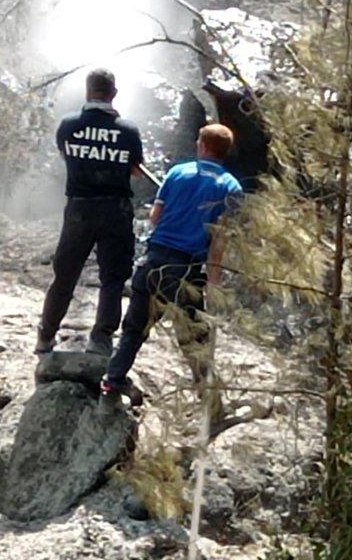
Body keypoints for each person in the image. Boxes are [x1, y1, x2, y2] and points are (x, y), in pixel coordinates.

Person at [101, 123, 244, 404]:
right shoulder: (231, 187)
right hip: (185, 271)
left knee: (134, 330)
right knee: (195, 338)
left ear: (201, 146)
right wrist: (214, 283)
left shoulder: (178, 172)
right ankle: (207, 396)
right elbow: (219, 242)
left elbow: (155, 217)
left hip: (153, 263)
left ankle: (112, 381)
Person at [35, 68, 145, 355]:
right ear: (114, 93)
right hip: (115, 209)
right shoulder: (129, 130)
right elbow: (135, 171)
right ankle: (101, 340)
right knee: (113, 277)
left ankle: (46, 335)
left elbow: (66, 156)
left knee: (65, 275)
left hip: (78, 208)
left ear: (87, 91)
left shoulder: (68, 125)